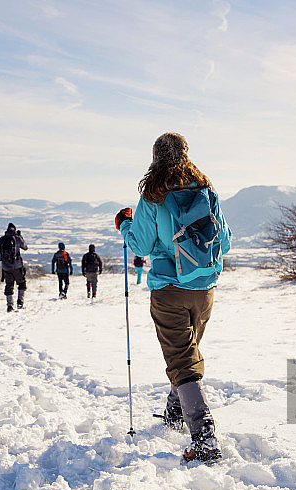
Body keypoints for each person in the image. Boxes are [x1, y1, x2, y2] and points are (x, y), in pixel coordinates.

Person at [115, 132, 231, 463]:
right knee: (186, 353)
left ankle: (204, 437)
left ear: (155, 158)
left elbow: (140, 245)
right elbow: (226, 238)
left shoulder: (153, 196)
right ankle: (175, 412)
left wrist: (124, 224)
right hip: (204, 288)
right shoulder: (206, 191)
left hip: (169, 289)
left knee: (182, 359)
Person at [0, 223, 28, 312]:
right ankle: (20, 302)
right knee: (22, 283)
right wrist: (20, 236)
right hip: (17, 265)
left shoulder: (2, 239)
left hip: (5, 266)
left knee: (9, 285)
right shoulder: (17, 238)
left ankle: (9, 305)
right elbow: (25, 247)